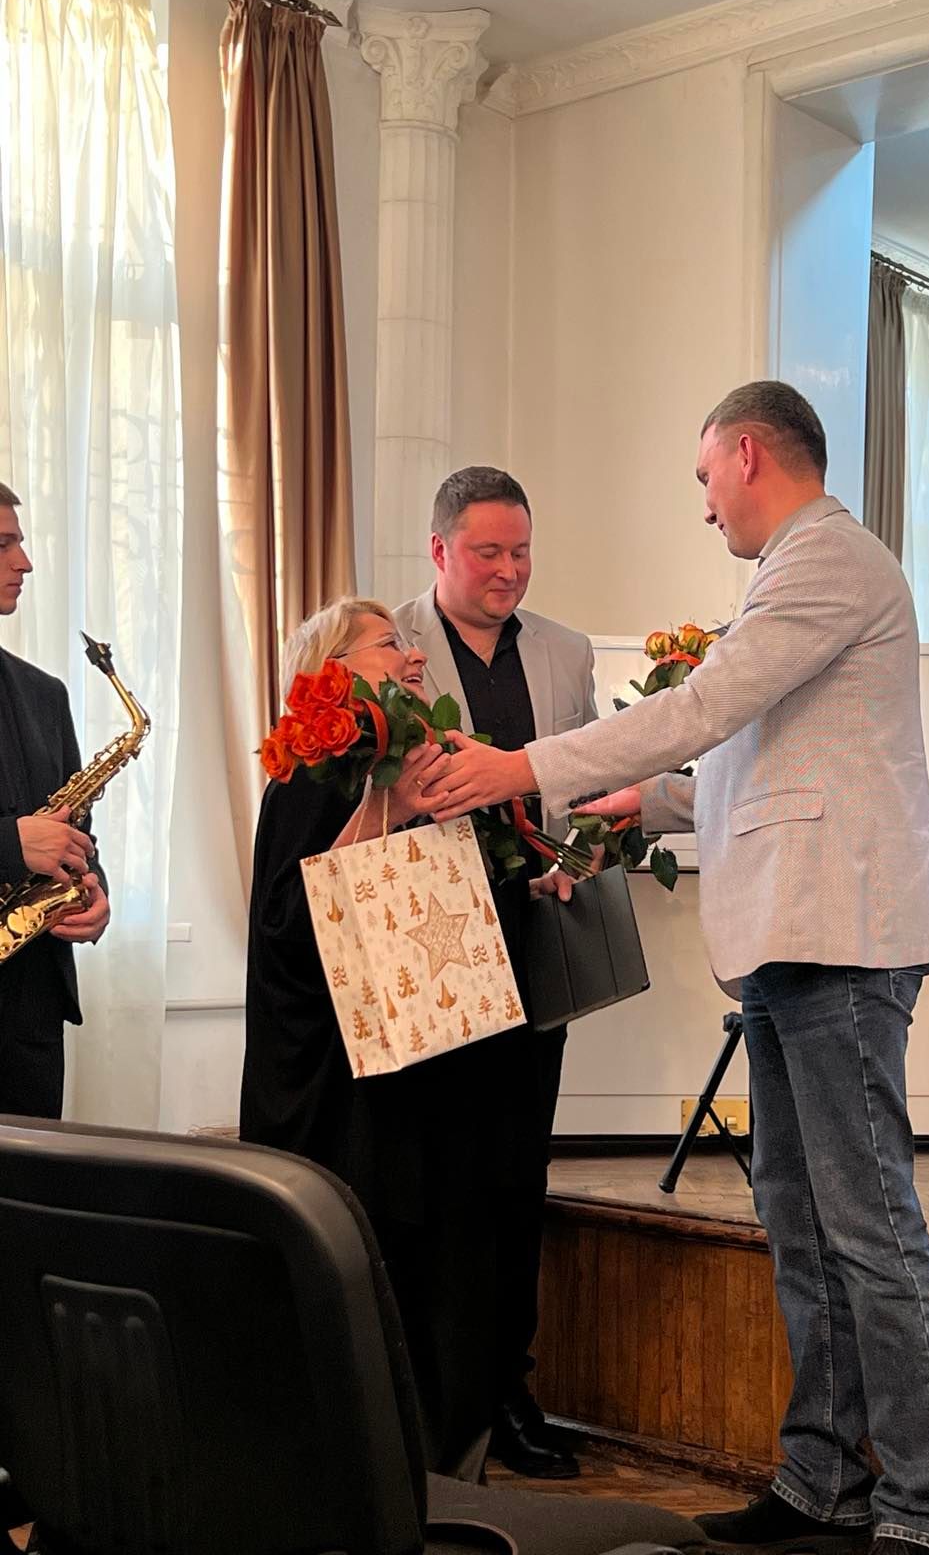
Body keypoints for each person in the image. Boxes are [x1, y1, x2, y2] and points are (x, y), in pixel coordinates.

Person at [420, 384, 929, 1555]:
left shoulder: (828, 559)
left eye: (706, 476)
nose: (705, 503)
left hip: (841, 935)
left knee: (868, 1227)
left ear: (748, 453)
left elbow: (711, 704)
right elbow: (748, 755)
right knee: (801, 1222)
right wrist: (646, 799)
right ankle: (823, 1481)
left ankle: (922, 1513)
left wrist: (525, 766)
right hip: (790, 938)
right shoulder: (793, 572)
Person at [240, 596, 537, 1480]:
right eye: (389, 643)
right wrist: (386, 804)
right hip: (340, 1086)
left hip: (428, 1066)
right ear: (333, 668)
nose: (412, 656)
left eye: (410, 644)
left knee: (445, 1258)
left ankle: (445, 1461)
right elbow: (295, 923)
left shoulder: (414, 761)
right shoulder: (309, 773)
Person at [394, 466, 598, 1479]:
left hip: (533, 941)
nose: (509, 570)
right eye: (488, 552)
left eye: (521, 551)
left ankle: (509, 1391)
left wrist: (579, 858)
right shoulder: (385, 645)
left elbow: (588, 790)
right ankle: (431, 1395)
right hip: (427, 951)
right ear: (439, 551)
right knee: (435, 1177)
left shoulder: (565, 650)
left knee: (518, 1175)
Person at [0, 482, 110, 1118]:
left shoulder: (46, 695)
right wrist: (10, 842)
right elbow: (23, 842)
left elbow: (78, 834)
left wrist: (93, 891)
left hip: (31, 1014)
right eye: (3, 544)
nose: (26, 562)